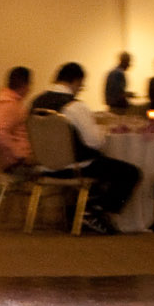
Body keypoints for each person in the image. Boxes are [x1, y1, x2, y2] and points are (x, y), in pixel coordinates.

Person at [28, 62, 141, 232]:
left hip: (43, 166)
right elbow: (94, 142)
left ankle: (80, 209)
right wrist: (102, 130)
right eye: (81, 84)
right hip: (76, 167)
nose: (81, 88)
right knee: (130, 173)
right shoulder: (75, 106)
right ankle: (93, 209)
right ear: (76, 81)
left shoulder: (35, 103)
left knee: (104, 166)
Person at [0, 65, 33, 171]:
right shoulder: (10, 105)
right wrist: (19, 153)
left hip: (12, 161)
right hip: (15, 163)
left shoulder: (5, 101)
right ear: (25, 85)